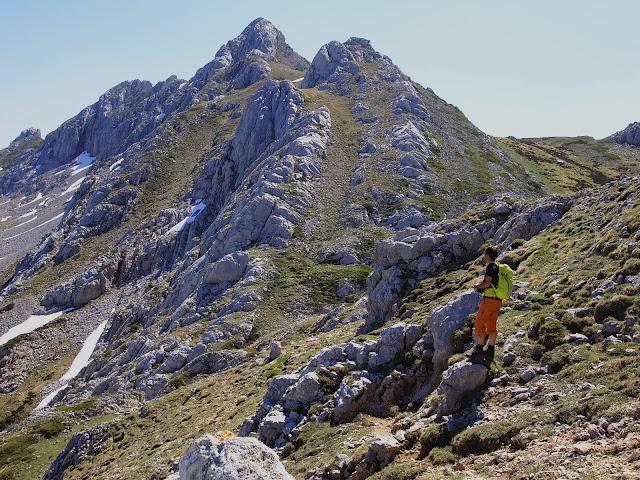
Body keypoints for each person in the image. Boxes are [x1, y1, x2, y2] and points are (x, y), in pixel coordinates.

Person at [469, 246, 502, 365]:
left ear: (488, 255)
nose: (484, 256)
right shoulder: (499, 267)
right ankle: (490, 351)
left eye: (484, 254)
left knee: (479, 323)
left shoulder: (490, 267)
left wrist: (477, 287)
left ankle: (479, 350)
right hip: (497, 300)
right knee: (491, 324)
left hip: (489, 301)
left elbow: (487, 283)